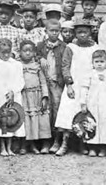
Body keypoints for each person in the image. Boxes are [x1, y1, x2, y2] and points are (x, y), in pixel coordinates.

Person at [54, 23, 98, 156]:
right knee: (68, 112)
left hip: (87, 85)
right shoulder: (71, 47)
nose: (82, 35)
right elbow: (65, 66)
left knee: (84, 114)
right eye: (79, 32)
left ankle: (82, 143)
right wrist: (69, 84)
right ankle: (64, 143)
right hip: (73, 84)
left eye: (85, 32)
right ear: (75, 34)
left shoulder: (95, 48)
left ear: (90, 32)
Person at [0, 38, 25, 156]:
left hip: (14, 95)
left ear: (11, 52)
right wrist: (5, 91)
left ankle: (9, 147)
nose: (5, 55)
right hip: (1, 95)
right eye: (2, 53)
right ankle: (2, 147)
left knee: (12, 119)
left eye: (8, 52)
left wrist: (13, 91)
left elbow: (20, 80)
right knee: (2, 120)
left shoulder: (16, 64)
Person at [37, 18, 65, 154]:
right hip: (43, 82)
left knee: (57, 109)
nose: (54, 33)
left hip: (57, 82)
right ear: (46, 31)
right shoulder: (40, 46)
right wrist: (39, 58)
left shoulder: (64, 47)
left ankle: (56, 140)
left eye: (56, 31)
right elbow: (33, 57)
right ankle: (44, 142)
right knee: (44, 110)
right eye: (51, 31)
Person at [79, 49, 106, 157]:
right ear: (92, 63)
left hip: (105, 103)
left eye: (102, 62)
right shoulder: (89, 74)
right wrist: (83, 103)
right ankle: (92, 147)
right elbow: (84, 89)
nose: (99, 64)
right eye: (97, 62)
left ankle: (104, 148)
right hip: (92, 103)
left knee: (105, 125)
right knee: (91, 125)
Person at [18, 40, 51, 154]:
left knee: (42, 120)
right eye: (25, 51)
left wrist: (45, 96)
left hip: (37, 95)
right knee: (27, 120)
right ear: (20, 52)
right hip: (24, 96)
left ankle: (45, 144)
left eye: (30, 51)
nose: (27, 53)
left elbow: (43, 82)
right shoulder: (17, 65)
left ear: (34, 53)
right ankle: (29, 145)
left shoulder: (37, 66)